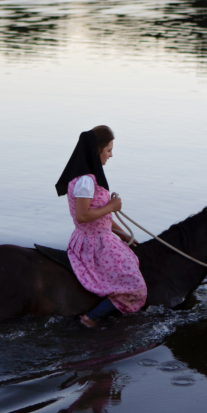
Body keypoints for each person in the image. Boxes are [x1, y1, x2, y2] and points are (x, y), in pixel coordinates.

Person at [55, 126, 147, 328]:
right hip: (94, 244)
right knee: (136, 288)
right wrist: (112, 206)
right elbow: (82, 216)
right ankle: (93, 318)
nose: (111, 155)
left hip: (97, 237)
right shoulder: (86, 181)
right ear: (97, 151)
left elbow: (100, 217)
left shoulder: (86, 177)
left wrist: (122, 234)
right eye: (108, 150)